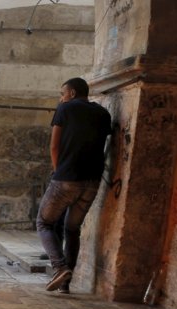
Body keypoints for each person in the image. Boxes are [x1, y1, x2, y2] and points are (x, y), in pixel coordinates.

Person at [36, 77, 112, 292]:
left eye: (62, 93)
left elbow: (54, 146)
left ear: (71, 93)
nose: (61, 98)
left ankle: (60, 268)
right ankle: (66, 284)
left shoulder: (66, 108)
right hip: (92, 181)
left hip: (66, 178)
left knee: (44, 223)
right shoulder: (102, 113)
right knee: (72, 229)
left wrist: (57, 170)